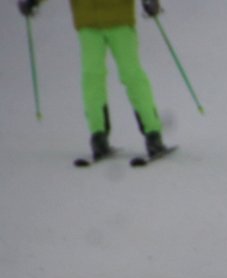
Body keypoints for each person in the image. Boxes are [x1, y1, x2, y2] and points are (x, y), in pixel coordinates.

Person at [17, 0, 170, 160]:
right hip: (89, 22)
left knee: (130, 75)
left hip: (118, 20)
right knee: (93, 77)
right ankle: (98, 135)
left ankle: (152, 133)